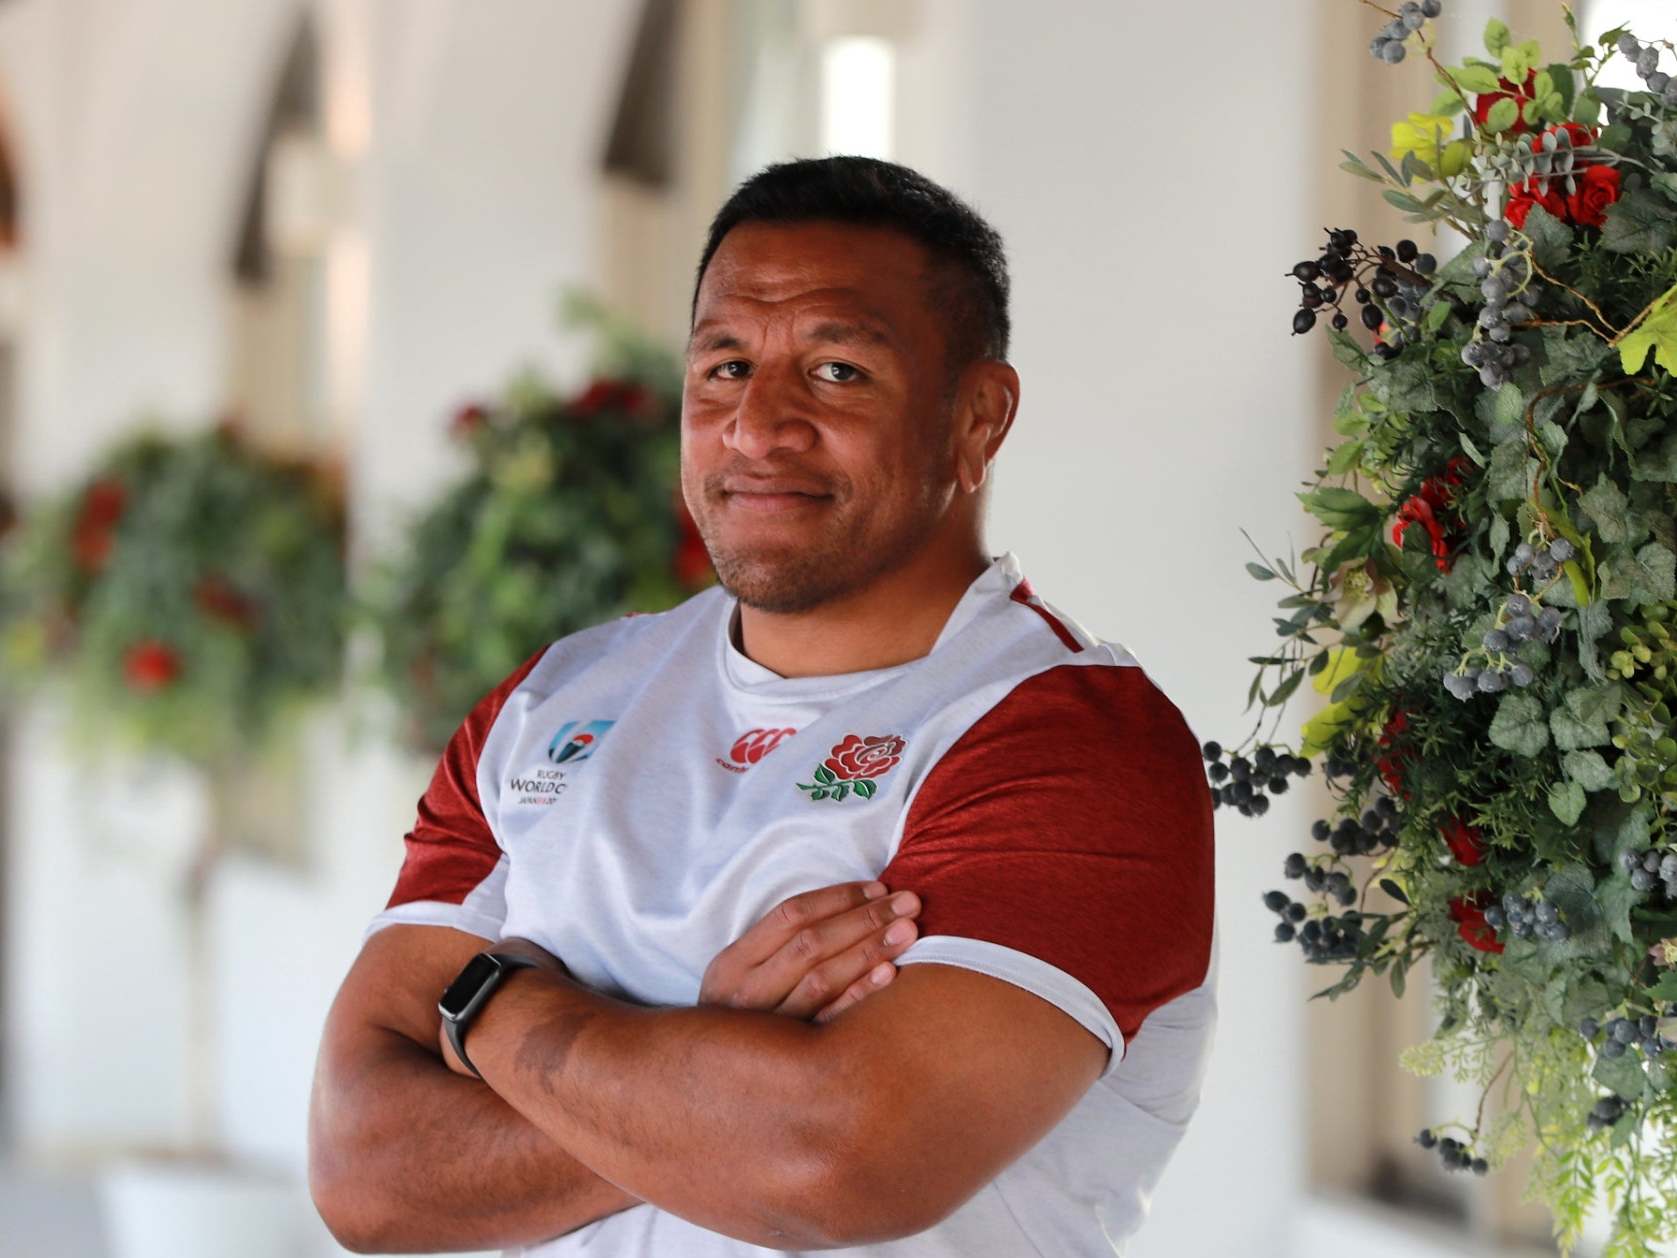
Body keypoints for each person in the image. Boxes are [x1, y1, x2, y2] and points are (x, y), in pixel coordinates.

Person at [308, 155, 1217, 1256]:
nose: (758, 426)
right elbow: (366, 1172)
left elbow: (831, 1162)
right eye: (725, 366)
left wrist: (490, 1005)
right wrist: (708, 1058)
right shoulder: (551, 702)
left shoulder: (1067, 741)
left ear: (978, 417)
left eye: (837, 371)